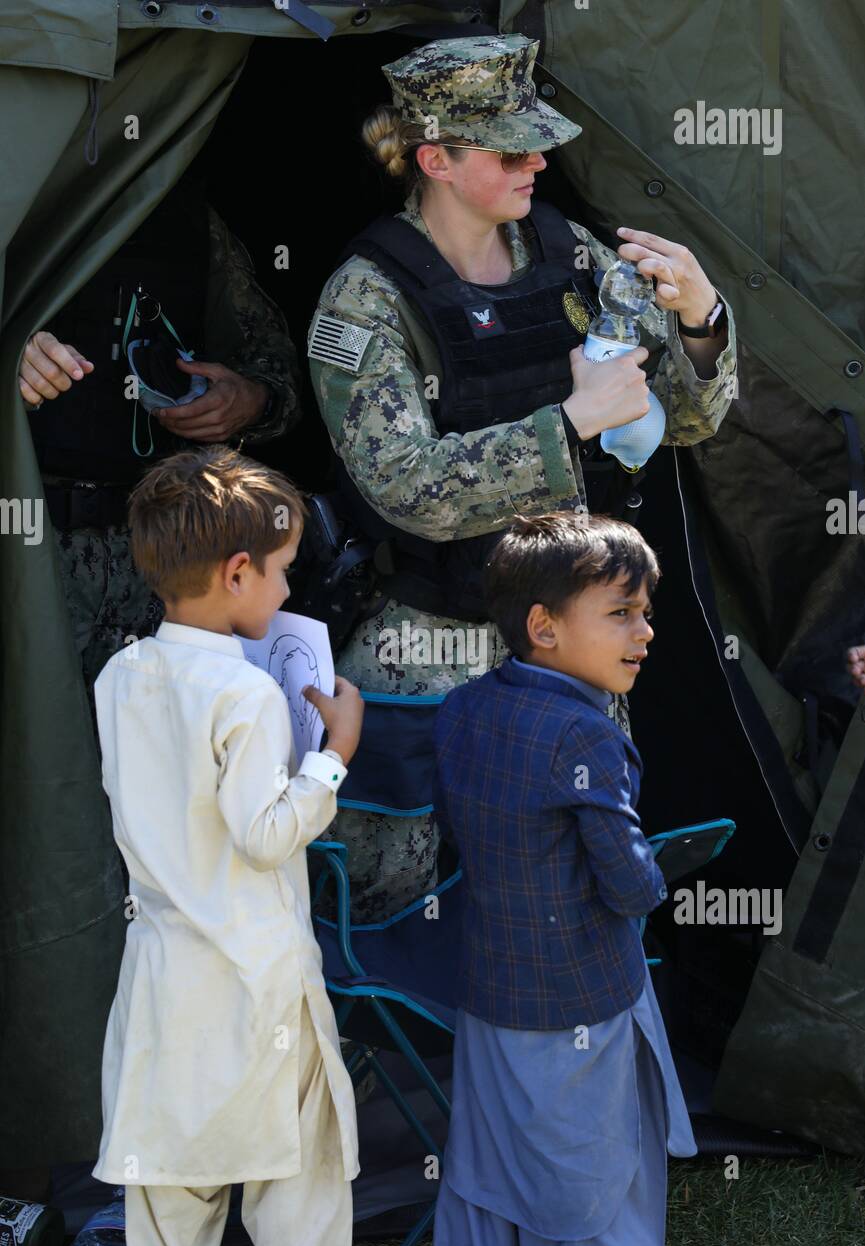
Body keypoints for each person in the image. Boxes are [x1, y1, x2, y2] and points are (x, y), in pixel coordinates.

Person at [309, 32, 738, 924]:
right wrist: (570, 424)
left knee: (579, 887)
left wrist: (702, 319)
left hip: (565, 643)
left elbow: (679, 421)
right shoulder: (368, 294)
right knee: (393, 898)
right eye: (511, 149)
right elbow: (403, 486)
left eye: (537, 138)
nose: (539, 160)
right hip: (431, 643)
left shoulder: (566, 251)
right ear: (436, 159)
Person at [90, 446, 364, 1246]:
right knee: (301, 1197)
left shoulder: (119, 675)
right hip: (258, 980)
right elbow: (265, 837)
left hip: (165, 984)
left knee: (169, 1206)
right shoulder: (243, 696)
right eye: (281, 573)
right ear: (237, 570)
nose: (287, 593)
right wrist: (334, 758)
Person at [427, 511, 696, 1246]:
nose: (644, 631)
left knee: (486, 1165)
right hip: (581, 1000)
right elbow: (629, 884)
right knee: (593, 1183)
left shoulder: (463, 707)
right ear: (543, 626)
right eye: (620, 613)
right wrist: (658, 874)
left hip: (488, 992)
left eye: (645, 611)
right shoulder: (586, 736)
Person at [19, 169, 301, 724]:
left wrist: (250, 399)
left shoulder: (186, 220)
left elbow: (275, 368)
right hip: (29, 550)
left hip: (160, 554)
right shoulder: (21, 201)